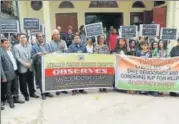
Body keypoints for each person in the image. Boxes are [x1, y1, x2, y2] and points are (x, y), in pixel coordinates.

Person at [14, 33, 39, 101]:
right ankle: (26, 95)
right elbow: (18, 58)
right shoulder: (16, 47)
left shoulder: (30, 46)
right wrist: (25, 64)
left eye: (24, 37)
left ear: (26, 38)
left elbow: (32, 55)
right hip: (23, 67)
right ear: (19, 38)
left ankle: (32, 93)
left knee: (31, 81)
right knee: (23, 82)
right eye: (21, 37)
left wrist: (31, 62)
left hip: (30, 66)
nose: (23, 38)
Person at [1, 38, 25, 108]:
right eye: (6, 43)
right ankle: (10, 101)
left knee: (15, 86)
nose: (8, 44)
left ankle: (16, 98)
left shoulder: (11, 50)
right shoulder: (1, 52)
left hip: (15, 71)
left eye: (8, 43)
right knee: (8, 89)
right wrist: (3, 77)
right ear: (1, 44)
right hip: (7, 73)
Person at [32, 32, 54, 100]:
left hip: (47, 65)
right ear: (37, 38)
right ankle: (43, 93)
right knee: (41, 79)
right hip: (39, 65)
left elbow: (51, 52)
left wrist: (48, 53)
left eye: (42, 36)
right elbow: (32, 57)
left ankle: (47, 92)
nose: (41, 38)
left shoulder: (47, 45)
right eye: (39, 37)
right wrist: (38, 54)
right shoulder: (34, 46)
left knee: (48, 78)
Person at [49, 29, 68, 95]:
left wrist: (65, 51)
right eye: (56, 34)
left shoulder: (63, 42)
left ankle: (63, 89)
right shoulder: (50, 43)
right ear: (53, 36)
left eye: (58, 34)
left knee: (62, 75)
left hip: (62, 61)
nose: (57, 35)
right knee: (56, 76)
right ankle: (57, 89)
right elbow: (49, 52)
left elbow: (66, 50)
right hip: (54, 62)